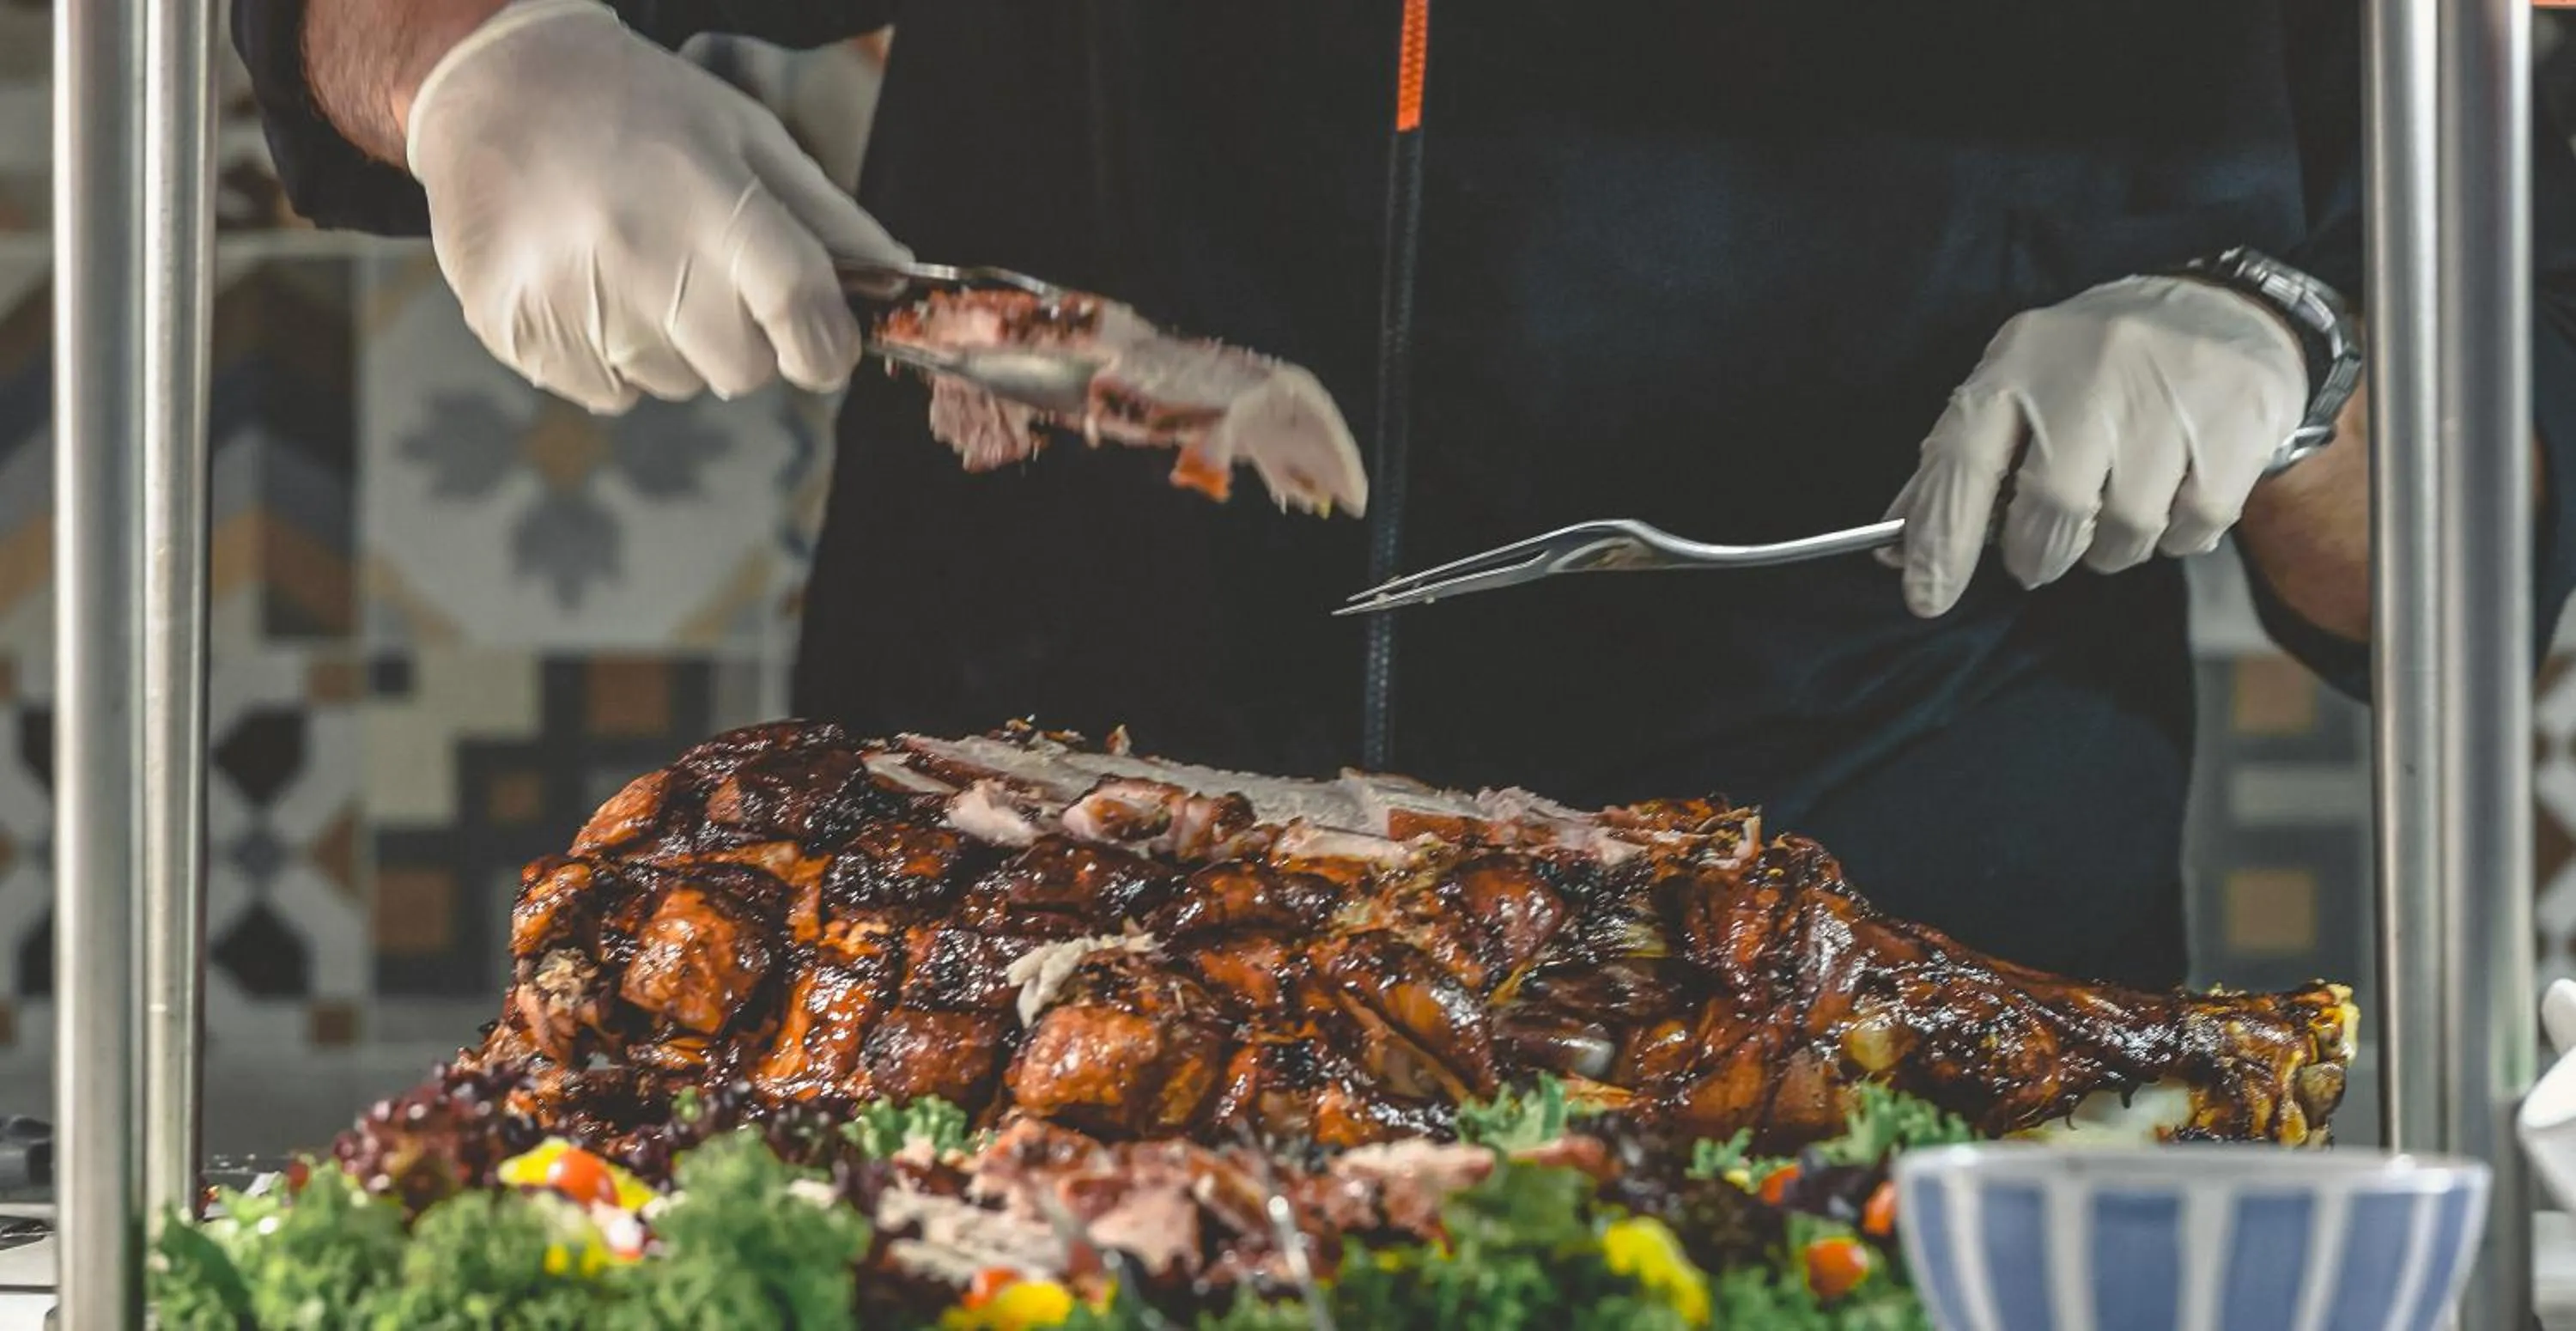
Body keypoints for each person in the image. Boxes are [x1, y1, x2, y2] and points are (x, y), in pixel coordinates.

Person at [234, 0, 2576, 989]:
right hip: (1022, 978)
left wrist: (2293, 368)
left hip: (1891, 1040)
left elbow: (2456, 574)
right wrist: (483, 65)